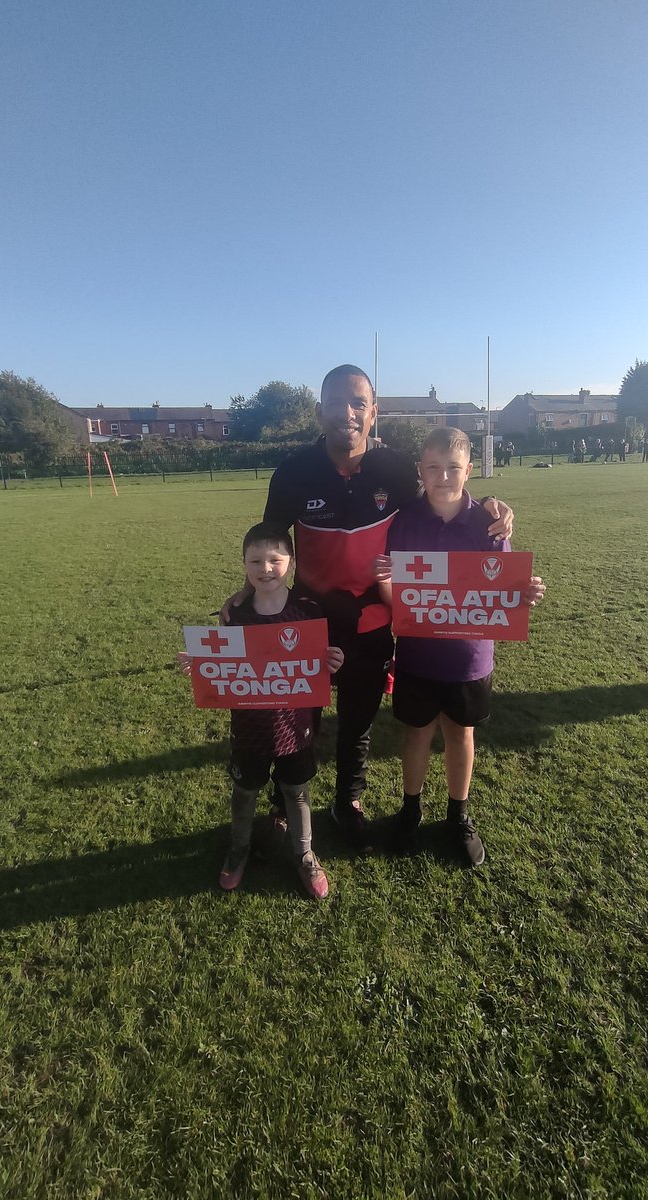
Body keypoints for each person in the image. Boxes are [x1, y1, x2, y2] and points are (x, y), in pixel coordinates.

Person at [228, 365, 514, 851]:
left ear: (373, 412)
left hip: (373, 617)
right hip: (308, 617)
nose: (347, 413)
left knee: (358, 721)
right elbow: (271, 544)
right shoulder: (293, 472)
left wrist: (489, 503)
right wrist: (247, 593)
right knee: (295, 716)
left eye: (358, 403)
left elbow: (441, 498)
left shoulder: (395, 469)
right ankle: (282, 806)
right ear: (319, 411)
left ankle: (348, 802)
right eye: (336, 403)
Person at [373, 427, 545, 867]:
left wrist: (522, 594)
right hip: (417, 653)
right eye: (433, 468)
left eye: (453, 468)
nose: (443, 477)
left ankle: (458, 814)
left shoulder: (489, 523)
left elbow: (503, 587)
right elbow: (395, 594)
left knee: (460, 734)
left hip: (470, 658)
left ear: (470, 470)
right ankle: (410, 811)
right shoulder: (404, 520)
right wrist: (392, 594)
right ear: (420, 472)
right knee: (415, 734)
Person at [182, 523, 343, 898]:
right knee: (244, 792)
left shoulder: (307, 610)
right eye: (256, 560)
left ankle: (304, 853)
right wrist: (199, 661)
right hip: (249, 727)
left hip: (296, 727)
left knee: (297, 791)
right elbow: (221, 659)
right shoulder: (235, 614)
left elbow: (318, 661)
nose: (265, 568)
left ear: (291, 562)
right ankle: (238, 851)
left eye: (275, 559)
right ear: (243, 564)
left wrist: (334, 660)